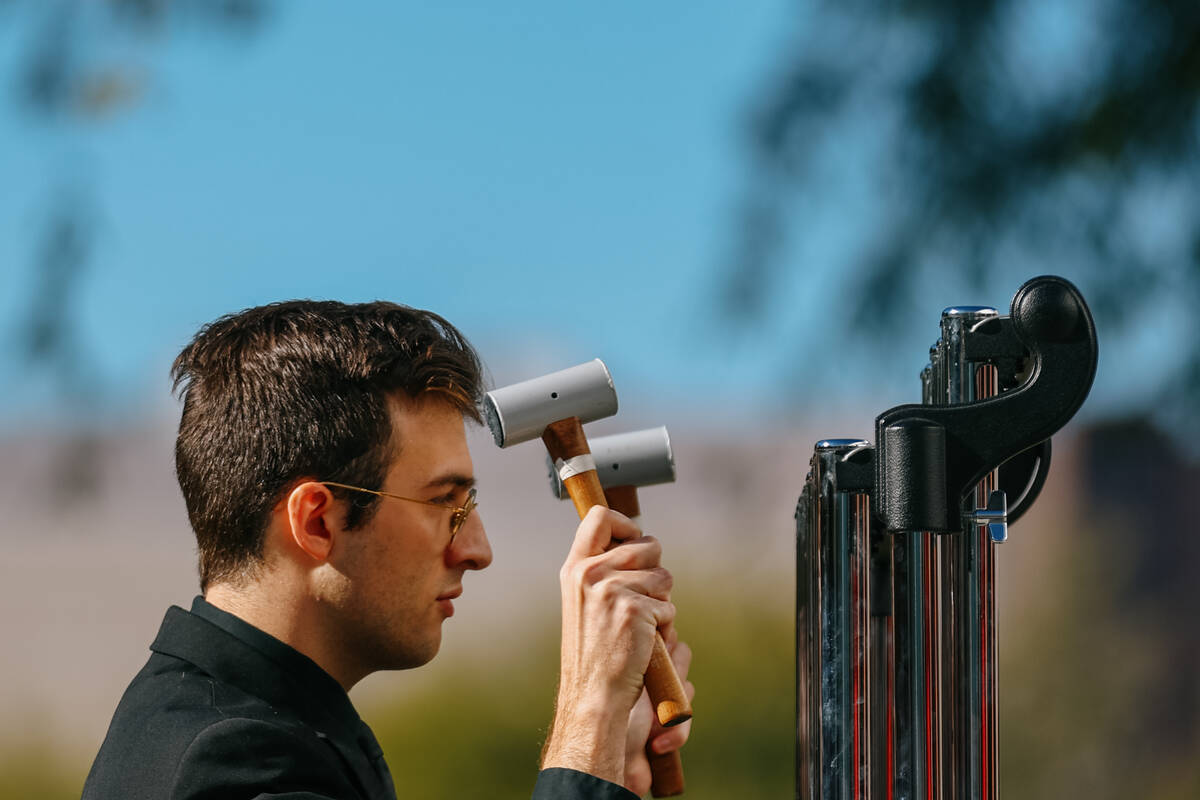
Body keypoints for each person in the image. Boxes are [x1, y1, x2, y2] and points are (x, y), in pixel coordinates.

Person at [81, 301, 693, 800]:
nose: (477, 550)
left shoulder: (260, 723)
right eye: (447, 505)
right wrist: (585, 720)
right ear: (318, 521)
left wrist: (610, 761)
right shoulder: (231, 767)